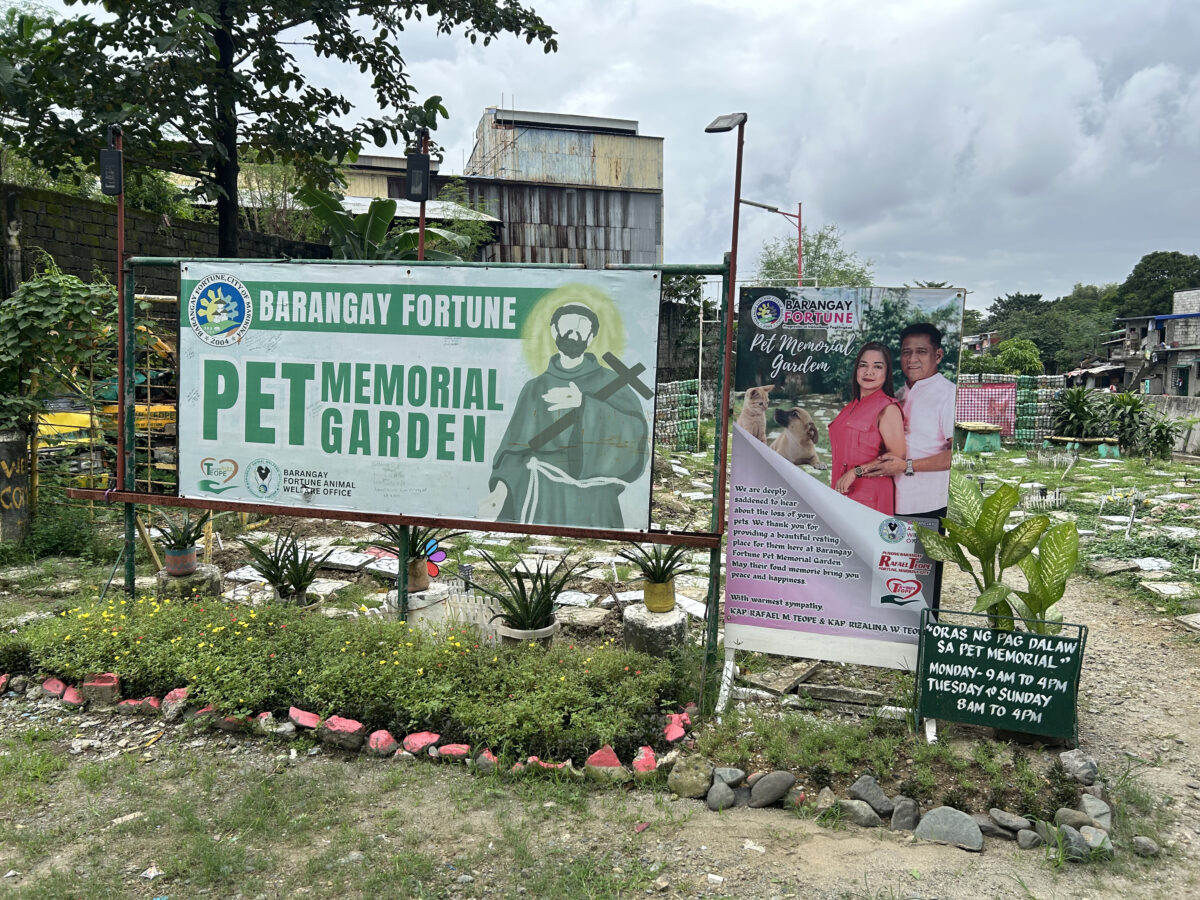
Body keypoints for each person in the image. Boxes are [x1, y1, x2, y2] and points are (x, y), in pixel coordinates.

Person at [478, 301, 650, 529]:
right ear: (554, 330)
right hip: (543, 494)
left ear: (590, 338)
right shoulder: (535, 387)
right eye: (568, 325)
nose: (574, 333)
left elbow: (635, 433)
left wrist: (585, 405)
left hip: (593, 499)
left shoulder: (611, 382)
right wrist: (499, 493)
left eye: (582, 329)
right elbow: (514, 450)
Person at [861, 323, 955, 519]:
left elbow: (957, 456)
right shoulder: (897, 396)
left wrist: (906, 466)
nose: (912, 359)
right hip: (886, 501)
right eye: (906, 352)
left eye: (921, 352)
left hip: (928, 504)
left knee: (919, 551)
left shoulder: (948, 394)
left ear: (938, 355)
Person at [827, 342, 906, 515]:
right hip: (842, 492)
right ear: (856, 369)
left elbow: (896, 457)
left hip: (871, 497)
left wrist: (856, 472)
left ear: (887, 372)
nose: (869, 372)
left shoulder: (888, 408)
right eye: (863, 365)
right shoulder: (851, 407)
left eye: (877, 366)